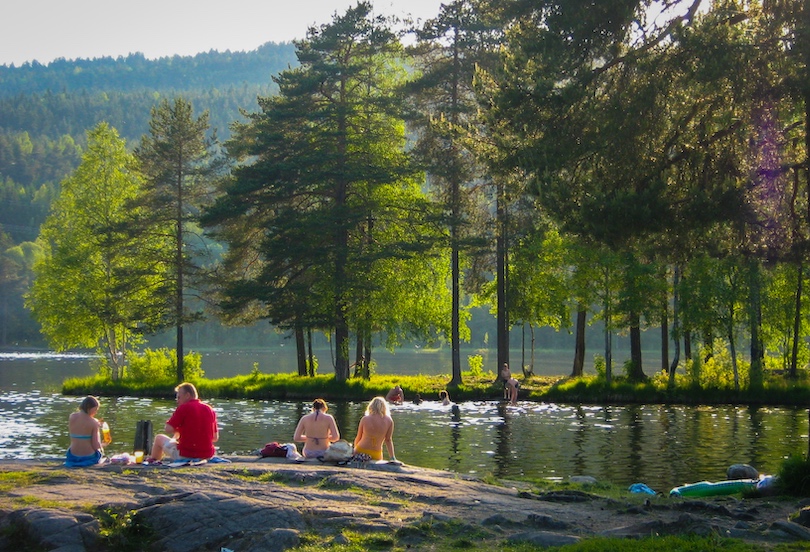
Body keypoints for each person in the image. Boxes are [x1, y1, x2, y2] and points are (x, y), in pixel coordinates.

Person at [149, 382, 218, 462]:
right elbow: (215, 438)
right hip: (207, 456)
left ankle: (153, 462)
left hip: (186, 455)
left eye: (179, 397)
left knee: (159, 438)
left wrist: (178, 430)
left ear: (187, 395)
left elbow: (167, 429)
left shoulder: (183, 408)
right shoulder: (210, 409)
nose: (177, 401)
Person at [65, 395, 108, 467]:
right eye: (95, 410)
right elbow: (96, 445)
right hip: (88, 457)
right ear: (89, 408)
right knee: (99, 452)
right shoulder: (94, 422)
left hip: (72, 456)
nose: (96, 412)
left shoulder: (72, 417)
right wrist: (103, 445)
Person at [353, 396, 396, 462]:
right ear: (384, 407)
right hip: (376, 453)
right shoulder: (389, 421)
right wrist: (392, 457)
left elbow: (358, 437)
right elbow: (388, 440)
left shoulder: (365, 419)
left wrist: (354, 450)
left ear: (371, 406)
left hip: (361, 450)